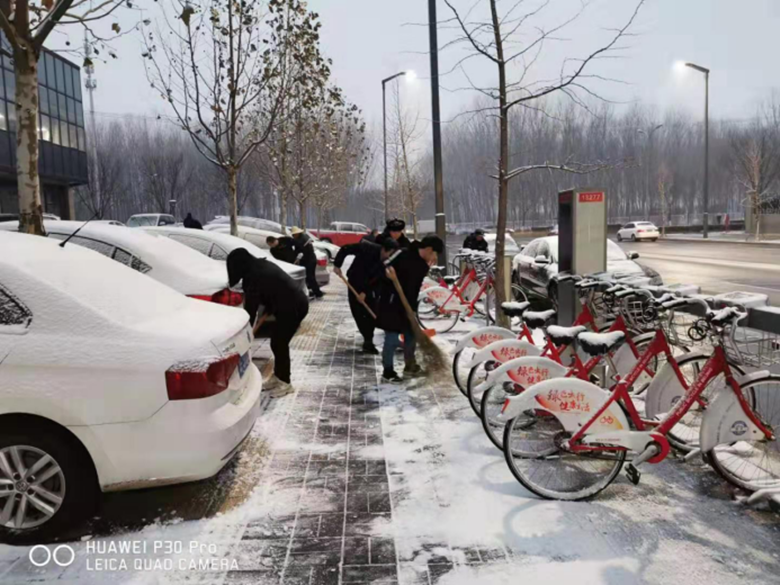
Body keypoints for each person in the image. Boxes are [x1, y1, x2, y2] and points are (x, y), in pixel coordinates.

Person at [226, 248, 309, 397]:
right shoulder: (258, 266)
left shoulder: (254, 276)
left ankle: (285, 383)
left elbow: (250, 311)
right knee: (277, 342)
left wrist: (246, 334)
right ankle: (278, 377)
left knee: (279, 343)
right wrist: (269, 308)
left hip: (294, 306)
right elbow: (273, 289)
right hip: (287, 303)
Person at [375, 235, 444, 382]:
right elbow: (382, 267)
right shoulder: (403, 253)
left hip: (407, 304)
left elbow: (414, 289)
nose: (435, 258)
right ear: (429, 249)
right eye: (435, 254)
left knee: (411, 335)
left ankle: (410, 366)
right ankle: (388, 371)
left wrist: (412, 309)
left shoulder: (422, 266)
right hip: (391, 302)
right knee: (392, 337)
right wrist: (389, 276)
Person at [334, 238, 400, 355]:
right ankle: (368, 340)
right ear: (384, 249)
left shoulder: (386, 261)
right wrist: (337, 265)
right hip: (355, 281)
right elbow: (345, 249)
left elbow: (378, 278)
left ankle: (372, 337)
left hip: (372, 285)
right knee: (358, 311)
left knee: (372, 309)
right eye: (389, 253)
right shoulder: (366, 248)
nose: (389, 257)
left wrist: (365, 292)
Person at [290, 227, 323, 298]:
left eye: (294, 235)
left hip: (309, 260)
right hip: (308, 260)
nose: (293, 236)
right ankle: (313, 291)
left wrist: (297, 258)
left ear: (298, 233)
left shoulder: (302, 240)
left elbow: (301, 250)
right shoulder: (302, 238)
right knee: (308, 277)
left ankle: (318, 293)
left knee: (310, 277)